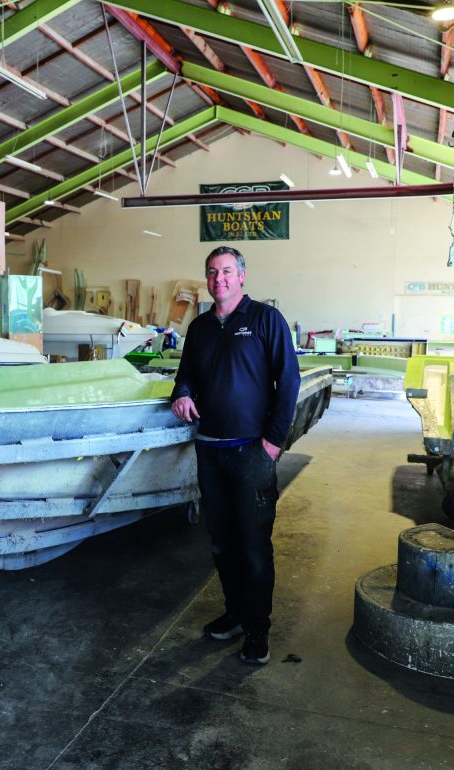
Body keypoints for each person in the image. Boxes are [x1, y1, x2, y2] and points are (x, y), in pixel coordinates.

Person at [170, 246, 300, 665]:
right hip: (210, 451)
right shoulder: (200, 327)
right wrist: (182, 393)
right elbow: (186, 374)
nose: (219, 278)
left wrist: (273, 442)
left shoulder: (265, 319)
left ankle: (258, 630)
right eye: (212, 272)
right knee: (222, 544)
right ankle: (236, 614)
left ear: (242, 276)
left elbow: (289, 381)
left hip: (251, 453)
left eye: (227, 271)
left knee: (254, 546)